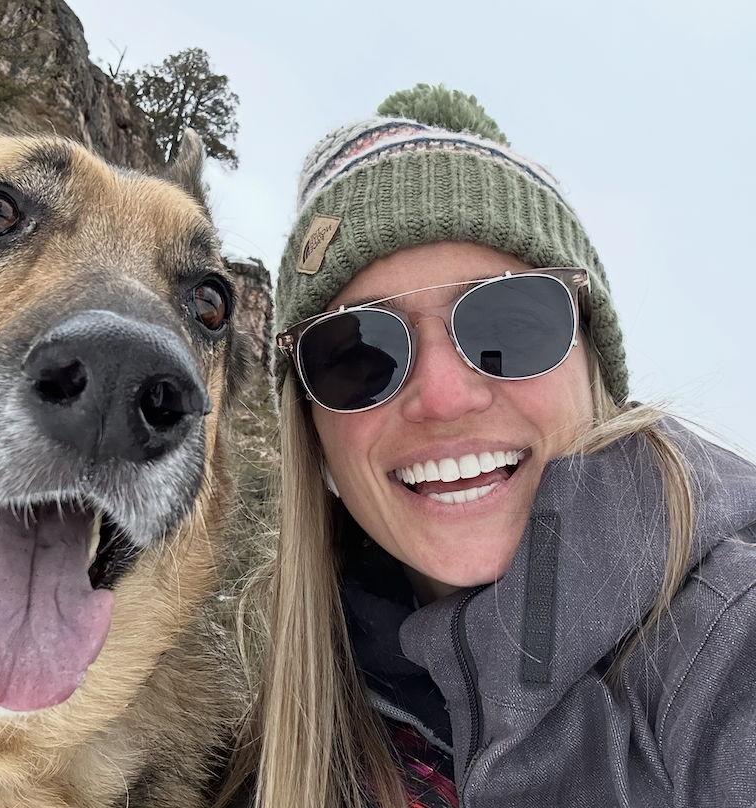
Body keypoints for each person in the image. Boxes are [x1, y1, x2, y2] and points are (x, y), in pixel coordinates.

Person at [222, 85, 756, 808]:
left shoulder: (726, 632)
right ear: (313, 434)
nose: (444, 396)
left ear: (593, 366)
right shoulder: (258, 755)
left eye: (508, 324)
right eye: (360, 354)